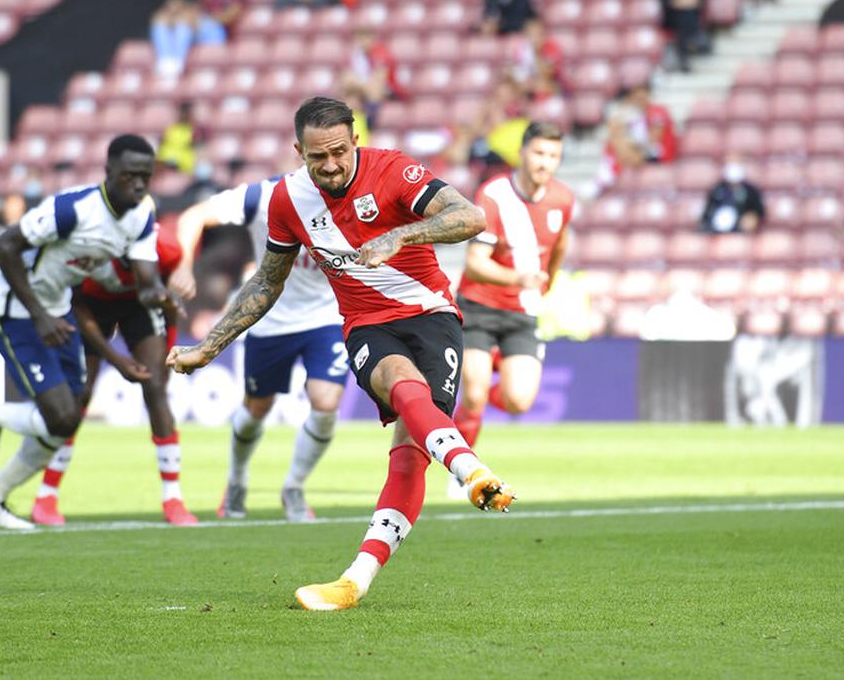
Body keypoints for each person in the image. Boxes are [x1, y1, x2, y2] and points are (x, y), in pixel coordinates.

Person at [166, 97, 515, 611]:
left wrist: (402, 234)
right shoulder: (287, 201)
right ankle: (467, 467)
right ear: (297, 152)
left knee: (409, 459)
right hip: (365, 324)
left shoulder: (395, 169)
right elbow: (267, 282)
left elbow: (472, 216)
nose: (330, 166)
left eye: (338, 153)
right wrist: (208, 346)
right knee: (396, 376)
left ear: (355, 140)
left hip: (433, 315)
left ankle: (356, 579)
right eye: (316, 157)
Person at [0, 134, 172, 530]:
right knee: (61, 417)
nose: (139, 185)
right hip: (15, 310)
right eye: (130, 175)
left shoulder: (141, 216)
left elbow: (145, 282)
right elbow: (5, 246)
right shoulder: (71, 209)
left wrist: (163, 295)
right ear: (109, 171)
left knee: (68, 418)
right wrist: (39, 316)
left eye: (145, 177)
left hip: (59, 309)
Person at [168, 171, 348, 523]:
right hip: (269, 318)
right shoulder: (262, 196)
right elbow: (194, 216)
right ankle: (236, 480)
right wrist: (184, 265)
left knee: (326, 402)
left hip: (326, 318)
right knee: (256, 410)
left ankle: (294, 487)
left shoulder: (353, 198)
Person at [30, 228, 197, 527]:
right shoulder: (88, 244)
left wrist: (168, 352)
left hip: (140, 304)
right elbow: (77, 307)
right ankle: (46, 496)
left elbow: (168, 301)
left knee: (156, 387)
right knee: (80, 394)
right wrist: (116, 360)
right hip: (90, 308)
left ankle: (173, 498)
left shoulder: (166, 247)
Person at [451, 122, 573, 494]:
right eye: (539, 153)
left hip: (521, 313)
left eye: (553, 156)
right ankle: (464, 471)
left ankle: (480, 393)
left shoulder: (562, 199)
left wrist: (547, 278)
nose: (545, 163)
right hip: (480, 306)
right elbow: (475, 262)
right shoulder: (494, 195)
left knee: (519, 401)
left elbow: (560, 243)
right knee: (472, 393)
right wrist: (518, 278)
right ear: (522, 152)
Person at [601, 83, 678, 185]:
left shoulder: (657, 111)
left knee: (620, 144)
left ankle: (609, 175)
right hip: (647, 152)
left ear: (648, 95)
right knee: (616, 141)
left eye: (641, 96)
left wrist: (634, 149)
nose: (639, 99)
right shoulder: (639, 115)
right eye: (636, 97)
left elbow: (654, 138)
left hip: (660, 155)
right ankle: (611, 173)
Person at [657, 0, 709, 72]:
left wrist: (681, 1)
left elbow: (699, 0)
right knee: (682, 18)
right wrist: (686, 1)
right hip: (672, 22)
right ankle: (695, 42)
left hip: (692, 19)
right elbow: (669, 2)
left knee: (687, 16)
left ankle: (687, 52)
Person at [701, 156, 764, 233]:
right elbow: (707, 211)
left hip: (739, 229)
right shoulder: (717, 189)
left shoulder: (751, 191)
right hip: (716, 229)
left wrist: (751, 219)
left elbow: (758, 211)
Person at [150, 0, 198, 77]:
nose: (174, 11)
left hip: (184, 53)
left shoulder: (189, 18)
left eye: (177, 9)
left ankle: (177, 63)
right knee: (159, 28)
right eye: (171, 8)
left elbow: (195, 31)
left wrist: (179, 21)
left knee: (183, 29)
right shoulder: (161, 19)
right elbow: (157, 21)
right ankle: (165, 61)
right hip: (166, 57)